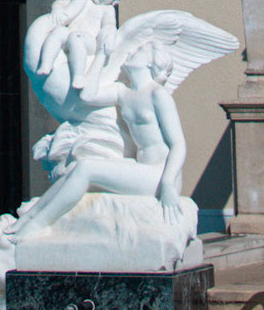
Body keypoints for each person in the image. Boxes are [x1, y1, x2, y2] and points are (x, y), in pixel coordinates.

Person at [14, 40, 187, 241]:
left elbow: (178, 144)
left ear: (152, 62)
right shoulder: (123, 92)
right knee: (74, 170)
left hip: (161, 175)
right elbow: (87, 95)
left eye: (140, 50)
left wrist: (167, 185)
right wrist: (101, 56)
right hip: (143, 170)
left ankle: (37, 224)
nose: (133, 51)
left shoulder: (158, 94)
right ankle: (30, 217)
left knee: (86, 168)